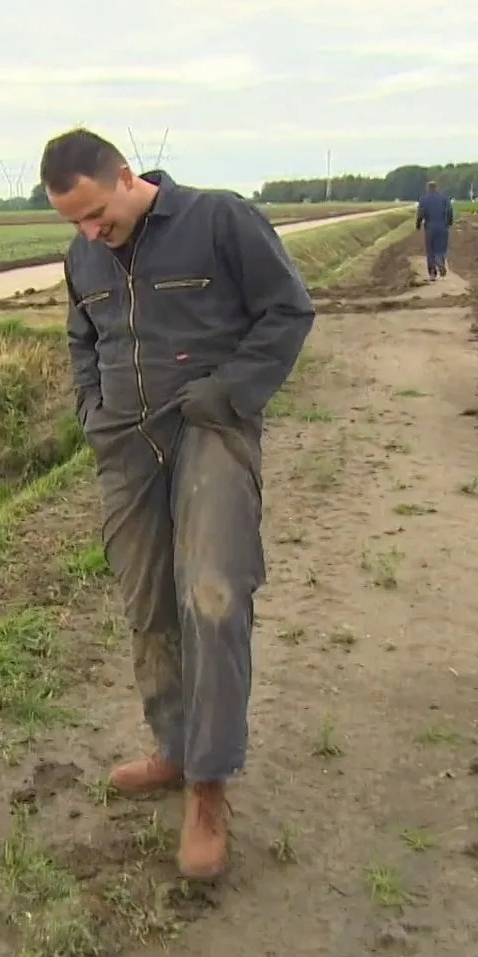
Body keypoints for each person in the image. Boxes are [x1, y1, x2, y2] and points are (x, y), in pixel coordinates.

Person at [39, 127, 316, 880]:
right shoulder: (82, 256)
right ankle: (173, 747)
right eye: (75, 223)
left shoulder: (220, 220)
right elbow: (82, 338)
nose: (91, 232)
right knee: (147, 602)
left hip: (208, 431)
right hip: (126, 445)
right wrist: (92, 411)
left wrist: (227, 395)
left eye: (97, 213)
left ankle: (208, 786)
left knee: (214, 595)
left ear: (126, 176)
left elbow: (288, 313)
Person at [415, 179, 456, 278]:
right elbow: (450, 211)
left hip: (430, 228)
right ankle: (439, 261)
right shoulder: (444, 198)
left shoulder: (424, 199)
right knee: (441, 248)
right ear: (436, 188)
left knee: (430, 250)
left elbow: (421, 213)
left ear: (428, 188)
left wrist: (418, 224)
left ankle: (432, 273)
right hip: (443, 227)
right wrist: (449, 222)